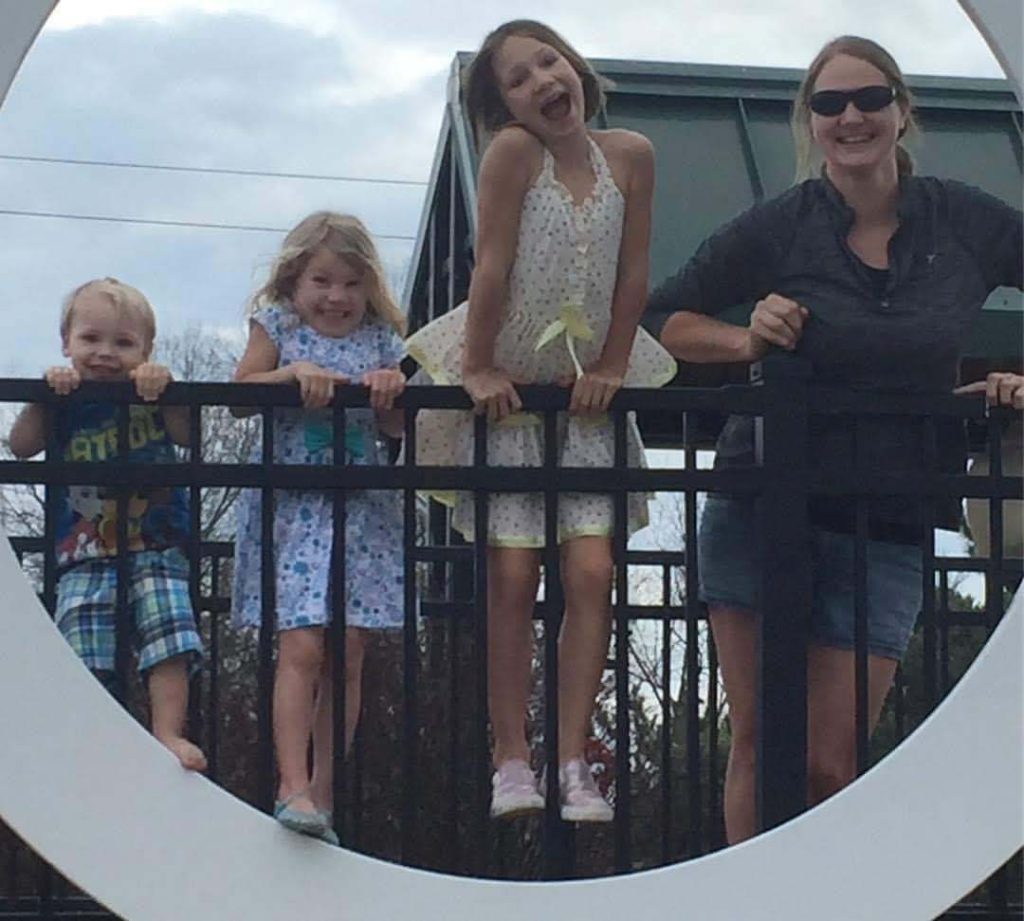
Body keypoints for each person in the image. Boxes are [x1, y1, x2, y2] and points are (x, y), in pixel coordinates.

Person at [648, 35, 1023, 843]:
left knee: (831, 759)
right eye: (829, 104)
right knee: (759, 741)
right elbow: (665, 319)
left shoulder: (966, 219)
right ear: (809, 122)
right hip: (762, 503)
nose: (850, 117)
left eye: (869, 99)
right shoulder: (779, 225)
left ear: (902, 110)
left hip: (887, 518)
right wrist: (746, 338)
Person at [405, 20, 676, 822]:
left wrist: (615, 365)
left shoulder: (631, 155)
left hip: (584, 387)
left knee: (591, 572)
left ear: (575, 66)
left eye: (548, 62)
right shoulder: (512, 157)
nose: (543, 82)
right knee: (514, 575)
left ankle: (572, 758)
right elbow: (491, 263)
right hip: (515, 389)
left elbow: (633, 270)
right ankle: (510, 756)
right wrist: (481, 364)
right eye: (519, 79)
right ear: (505, 107)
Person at [231, 211, 407, 844]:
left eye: (351, 285)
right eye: (322, 282)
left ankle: (325, 791)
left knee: (349, 651)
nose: (336, 298)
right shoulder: (276, 324)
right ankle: (291, 781)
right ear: (293, 283)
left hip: (360, 509)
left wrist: (392, 392)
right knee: (301, 642)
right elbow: (240, 389)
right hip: (295, 506)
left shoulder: (384, 338)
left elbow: (399, 431)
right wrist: (288, 375)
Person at [8, 277, 207, 772]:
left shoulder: (151, 394)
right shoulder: (64, 399)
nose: (105, 353)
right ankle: (94, 740)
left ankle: (168, 733)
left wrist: (168, 393)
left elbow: (189, 436)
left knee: (169, 634)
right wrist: (43, 399)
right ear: (66, 343)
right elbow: (20, 446)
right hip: (82, 551)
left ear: (146, 351)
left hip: (157, 544)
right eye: (90, 339)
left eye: (123, 343)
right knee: (83, 643)